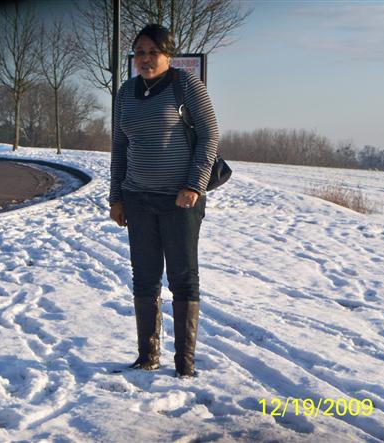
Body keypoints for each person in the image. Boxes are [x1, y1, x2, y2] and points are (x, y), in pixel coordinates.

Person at [109, 24, 219, 377]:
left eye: (152, 52)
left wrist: (194, 184)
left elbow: (209, 136)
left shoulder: (186, 86)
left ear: (168, 55)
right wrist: (116, 196)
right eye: (140, 52)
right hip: (137, 198)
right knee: (144, 277)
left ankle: (184, 364)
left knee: (183, 278)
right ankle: (147, 357)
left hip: (180, 201)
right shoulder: (126, 92)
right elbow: (119, 146)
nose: (145, 59)